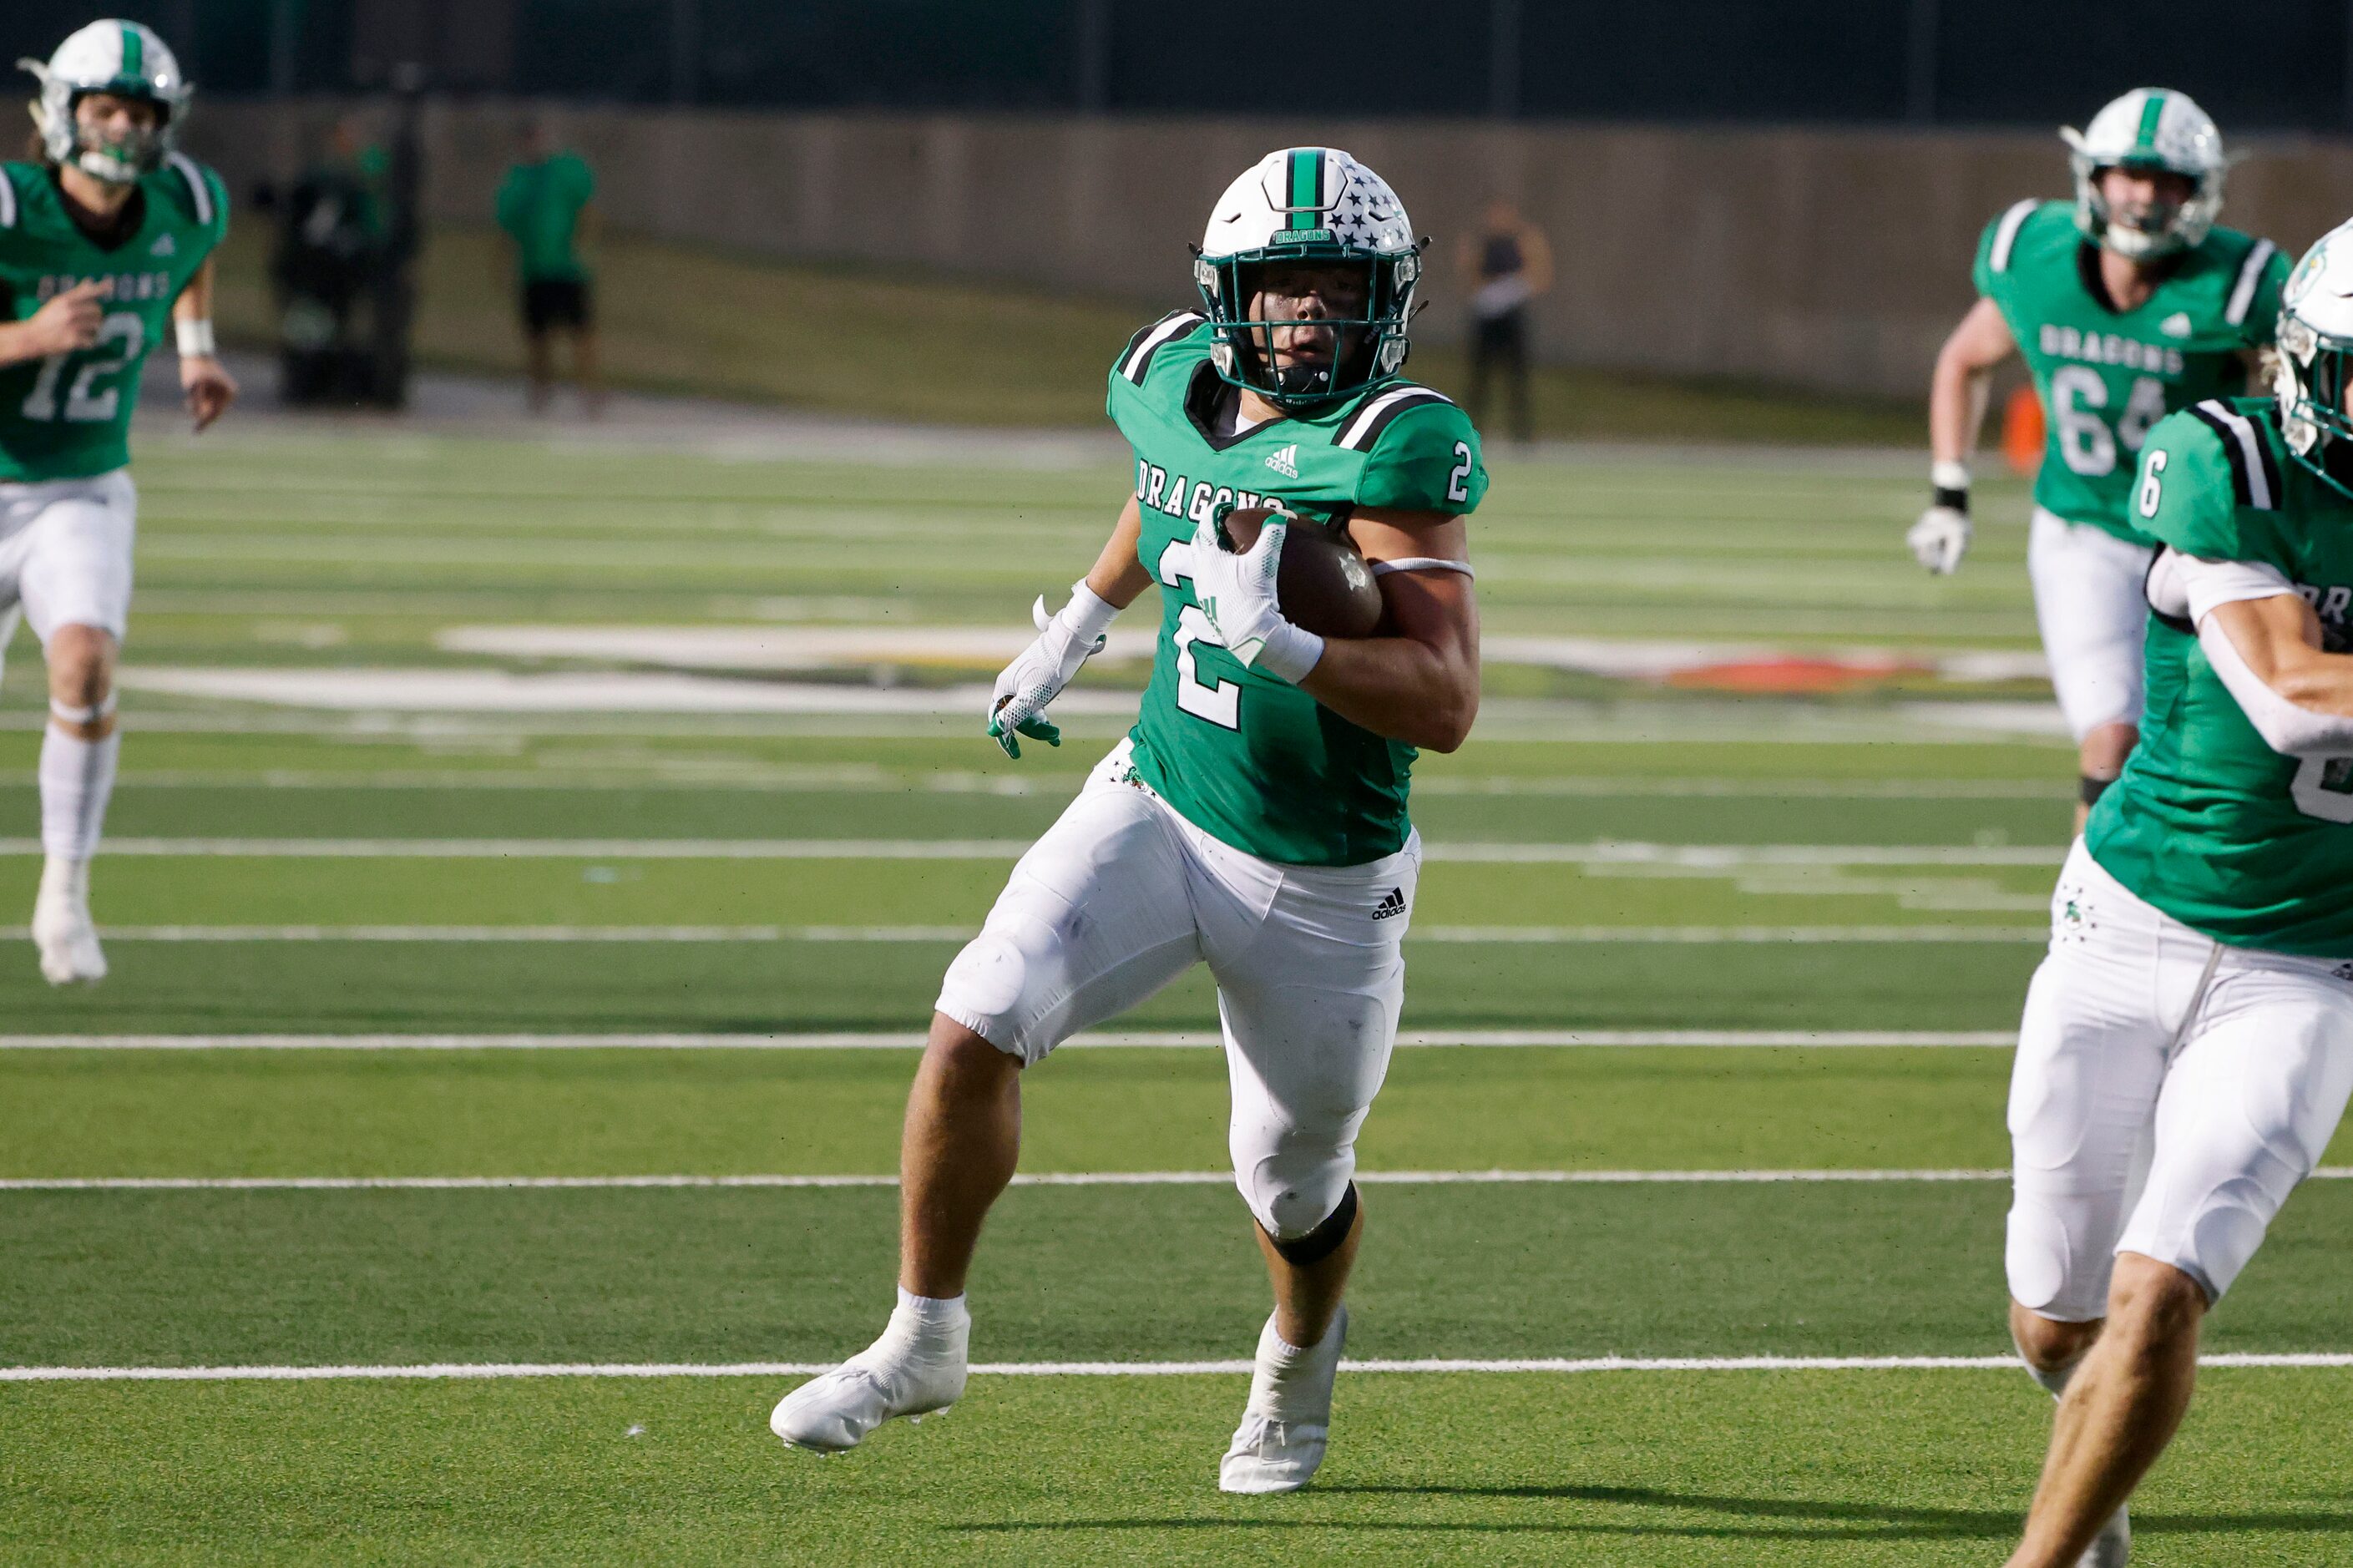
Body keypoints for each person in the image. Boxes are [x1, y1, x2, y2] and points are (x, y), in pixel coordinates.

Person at [769, 146, 1486, 1495]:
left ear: (1385, 299)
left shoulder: (1392, 445)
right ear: (1228, 300)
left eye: (1339, 290)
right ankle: (922, 1334)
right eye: (1284, 290)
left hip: (1322, 879)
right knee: (978, 1008)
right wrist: (1084, 622)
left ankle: (1298, 1349)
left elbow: (1444, 699)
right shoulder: (1173, 378)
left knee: (1289, 1181)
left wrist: (1291, 648)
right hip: (1160, 794)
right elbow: (1165, 490)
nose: (1311, 318)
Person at [1997, 223, 2353, 1568]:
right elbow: (2288, 695)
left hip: (2310, 968)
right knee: (2055, 1318)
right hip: (2125, 920)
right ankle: (2095, 1471)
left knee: (2157, 1298)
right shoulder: (2225, 456)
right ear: (2312, 368)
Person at [1910, 89, 2288, 832]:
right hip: (2085, 535)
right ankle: (2087, 917)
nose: (2144, 196)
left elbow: (2299, 397)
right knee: (2113, 739)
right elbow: (1963, 361)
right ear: (2093, 176)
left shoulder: (2239, 283)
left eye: (2165, 179)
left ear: (2199, 189)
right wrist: (1950, 489)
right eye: (2128, 174)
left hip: (2204, 541)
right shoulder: (2035, 254)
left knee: (2251, 745)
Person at [0, 20, 234, 984]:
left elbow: (186, 255)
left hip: (82, 483)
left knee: (87, 661)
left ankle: (63, 892)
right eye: (106, 109)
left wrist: (197, 345)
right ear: (63, 110)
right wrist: (26, 338)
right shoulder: (11, 208)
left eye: (142, 113)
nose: (126, 130)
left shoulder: (186, 198)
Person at [494, 122, 599, 414]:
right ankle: (540, 389)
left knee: (581, 332)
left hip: (567, 268)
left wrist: (586, 248)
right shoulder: (517, 180)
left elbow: (587, 209)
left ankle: (590, 391)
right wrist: (501, 266)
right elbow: (506, 226)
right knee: (537, 336)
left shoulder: (565, 171)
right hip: (534, 269)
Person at [1457, 199, 1550, 446]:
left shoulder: (1520, 244)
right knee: (1479, 380)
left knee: (1517, 379)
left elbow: (1538, 275)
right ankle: (1471, 431)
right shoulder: (1483, 244)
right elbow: (1472, 275)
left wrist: (1510, 291)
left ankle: (1522, 434)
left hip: (1512, 319)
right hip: (1487, 319)